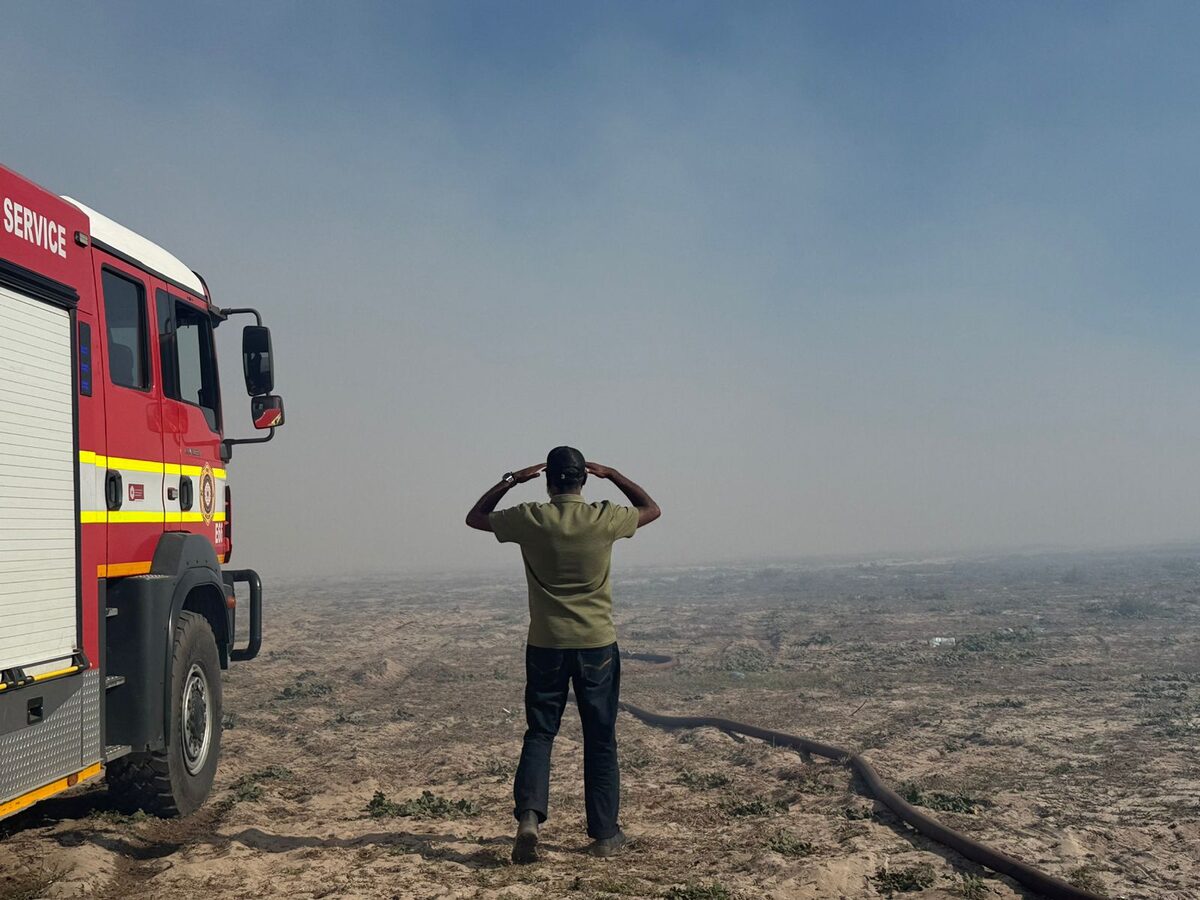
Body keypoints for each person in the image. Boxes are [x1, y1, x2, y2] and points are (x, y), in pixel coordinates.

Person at [465, 446, 661, 863]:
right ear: (583, 480)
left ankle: (530, 817)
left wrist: (511, 481)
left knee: (540, 733)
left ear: (549, 481)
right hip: (596, 645)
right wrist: (615, 474)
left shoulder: (530, 517)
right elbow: (651, 508)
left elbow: (475, 518)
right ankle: (605, 835)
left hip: (546, 645)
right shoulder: (605, 517)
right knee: (600, 737)